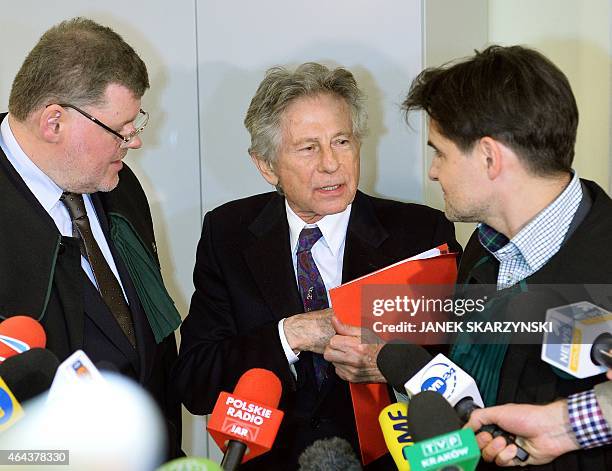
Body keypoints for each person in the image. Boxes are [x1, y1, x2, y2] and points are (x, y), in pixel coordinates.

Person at [173, 62, 459, 469]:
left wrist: (392, 366)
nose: (331, 164)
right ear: (266, 165)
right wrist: (292, 334)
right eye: (308, 148)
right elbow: (196, 382)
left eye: (342, 141)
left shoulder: (420, 235)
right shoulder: (228, 233)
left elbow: (466, 372)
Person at [402, 45, 612, 470]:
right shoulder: (482, 246)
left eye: (439, 152)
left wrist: (567, 426)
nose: (433, 171)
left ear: (488, 157)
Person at [0, 18, 182, 457]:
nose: (133, 141)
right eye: (119, 129)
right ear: (53, 121)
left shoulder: (118, 185)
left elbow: (149, 334)